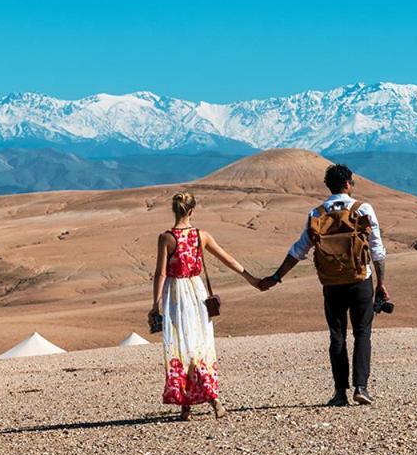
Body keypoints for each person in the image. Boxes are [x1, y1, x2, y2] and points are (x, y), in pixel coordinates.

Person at [258, 164, 390, 406]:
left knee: (336, 335)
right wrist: (381, 283)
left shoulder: (317, 214)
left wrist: (276, 277)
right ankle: (361, 387)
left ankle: (340, 392)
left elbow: (298, 251)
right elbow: (377, 249)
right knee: (362, 333)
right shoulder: (363, 209)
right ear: (349, 184)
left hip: (331, 284)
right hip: (360, 280)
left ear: (329, 186)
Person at [150, 191, 260, 421]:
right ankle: (211, 400)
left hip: (176, 296)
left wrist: (155, 304)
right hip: (197, 293)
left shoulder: (166, 238)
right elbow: (227, 258)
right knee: (201, 346)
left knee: (182, 347)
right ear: (192, 211)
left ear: (175, 210)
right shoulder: (202, 236)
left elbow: (160, 273)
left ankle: (188, 405)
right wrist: (252, 279)